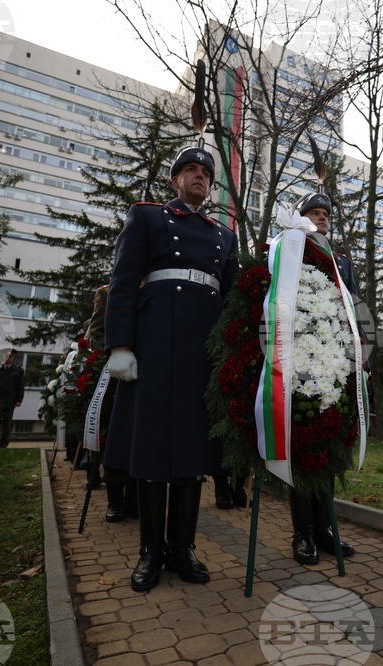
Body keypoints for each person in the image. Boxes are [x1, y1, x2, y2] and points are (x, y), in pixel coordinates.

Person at [103, 145, 239, 591]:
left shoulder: (225, 235)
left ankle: (182, 548)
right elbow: (123, 280)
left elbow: (235, 298)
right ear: (174, 179)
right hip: (157, 337)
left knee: (191, 449)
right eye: (191, 170)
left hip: (204, 345)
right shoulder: (147, 217)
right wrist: (120, 344)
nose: (199, 176)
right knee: (152, 444)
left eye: (206, 172)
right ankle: (151, 550)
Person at [285, 191, 358, 566]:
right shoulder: (290, 254)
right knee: (303, 449)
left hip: (336, 365)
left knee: (328, 447)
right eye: (314, 213)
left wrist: (358, 357)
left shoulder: (342, 262)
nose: (323, 218)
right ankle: (304, 533)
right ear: (303, 220)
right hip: (302, 366)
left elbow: (355, 310)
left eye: (326, 214)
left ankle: (326, 528)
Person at [85, 284, 137, 523]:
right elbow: (96, 331)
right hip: (115, 372)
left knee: (140, 436)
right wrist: (117, 350)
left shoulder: (154, 285)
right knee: (114, 437)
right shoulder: (108, 291)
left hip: (144, 372)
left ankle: (136, 499)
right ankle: (115, 501)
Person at [0, 348, 25, 448]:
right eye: (5, 356)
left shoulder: (18, 371)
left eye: (10, 356)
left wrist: (18, 400)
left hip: (10, 401)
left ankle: (4, 444)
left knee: (7, 424)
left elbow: (20, 387)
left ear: (13, 358)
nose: (7, 358)